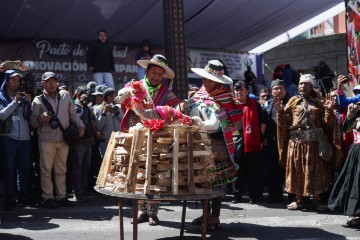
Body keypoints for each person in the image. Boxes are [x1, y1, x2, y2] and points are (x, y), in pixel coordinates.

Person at [119, 54, 180, 226]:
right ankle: (140, 211)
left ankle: (152, 212)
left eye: (160, 74)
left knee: (155, 174)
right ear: (147, 71)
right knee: (137, 173)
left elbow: (174, 112)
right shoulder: (134, 87)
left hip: (157, 139)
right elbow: (123, 103)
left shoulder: (167, 94)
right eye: (153, 72)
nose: (156, 77)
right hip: (137, 137)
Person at [188, 60, 242, 230]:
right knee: (203, 182)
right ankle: (206, 213)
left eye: (209, 79)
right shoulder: (200, 95)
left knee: (215, 183)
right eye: (204, 78)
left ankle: (214, 217)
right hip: (201, 145)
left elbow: (214, 124)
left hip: (217, 147)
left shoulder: (223, 98)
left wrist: (195, 122)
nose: (205, 82)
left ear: (218, 81)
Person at [274, 74, 334, 210]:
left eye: (306, 84)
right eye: (301, 84)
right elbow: (285, 124)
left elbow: (327, 124)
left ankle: (317, 201)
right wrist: (280, 112)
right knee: (297, 171)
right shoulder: (293, 101)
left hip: (314, 144)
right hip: (296, 144)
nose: (302, 86)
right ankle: (298, 200)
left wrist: (329, 110)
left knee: (315, 171)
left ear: (311, 86)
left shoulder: (319, 100)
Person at [30, 72, 85, 209]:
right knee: (46, 171)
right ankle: (47, 197)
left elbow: (73, 114)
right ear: (42, 83)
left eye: (54, 81)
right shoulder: (37, 100)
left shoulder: (65, 95)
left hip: (63, 139)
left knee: (61, 170)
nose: (51, 84)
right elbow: (32, 122)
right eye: (48, 81)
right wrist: (40, 118)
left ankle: (61, 196)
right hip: (46, 140)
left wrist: (81, 125)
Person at [0, 70, 32, 210]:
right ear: (6, 80)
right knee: (9, 171)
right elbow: (1, 115)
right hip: (8, 138)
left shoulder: (22, 95)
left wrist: (28, 103)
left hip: (24, 138)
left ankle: (23, 197)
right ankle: (10, 199)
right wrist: (14, 102)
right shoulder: (0, 96)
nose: (16, 82)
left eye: (18, 80)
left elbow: (28, 116)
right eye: (13, 80)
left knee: (24, 170)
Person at [232, 80, 266, 204]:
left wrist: (259, 138)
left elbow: (262, 122)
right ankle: (237, 196)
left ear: (247, 91)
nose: (238, 92)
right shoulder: (231, 105)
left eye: (241, 89)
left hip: (252, 142)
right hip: (235, 141)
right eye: (236, 89)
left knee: (253, 171)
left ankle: (254, 196)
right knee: (237, 171)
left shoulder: (254, 104)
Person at [328, 102, 360, 228]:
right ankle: (356, 213)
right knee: (355, 182)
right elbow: (345, 130)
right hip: (356, 151)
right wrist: (350, 116)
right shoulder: (357, 111)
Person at [262, 79, 290, 203]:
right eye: (275, 89)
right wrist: (264, 138)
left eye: (280, 88)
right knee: (273, 170)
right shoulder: (268, 104)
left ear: (285, 89)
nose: (278, 91)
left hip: (288, 142)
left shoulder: (291, 102)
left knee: (289, 169)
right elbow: (264, 123)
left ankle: (292, 196)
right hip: (272, 142)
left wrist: (282, 111)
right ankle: (275, 195)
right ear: (271, 91)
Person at [71, 88, 96, 202]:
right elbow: (75, 120)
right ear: (78, 95)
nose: (86, 98)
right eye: (84, 95)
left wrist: (89, 108)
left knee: (86, 166)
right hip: (78, 142)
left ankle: (84, 190)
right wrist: (82, 108)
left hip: (88, 141)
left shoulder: (87, 107)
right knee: (77, 167)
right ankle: (77, 192)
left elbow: (92, 121)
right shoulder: (73, 106)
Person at [94, 88, 122, 158]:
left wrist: (117, 113)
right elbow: (99, 127)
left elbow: (124, 121)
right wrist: (104, 113)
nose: (116, 98)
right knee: (106, 165)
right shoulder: (98, 109)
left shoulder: (119, 107)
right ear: (109, 98)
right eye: (114, 97)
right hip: (106, 143)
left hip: (119, 142)